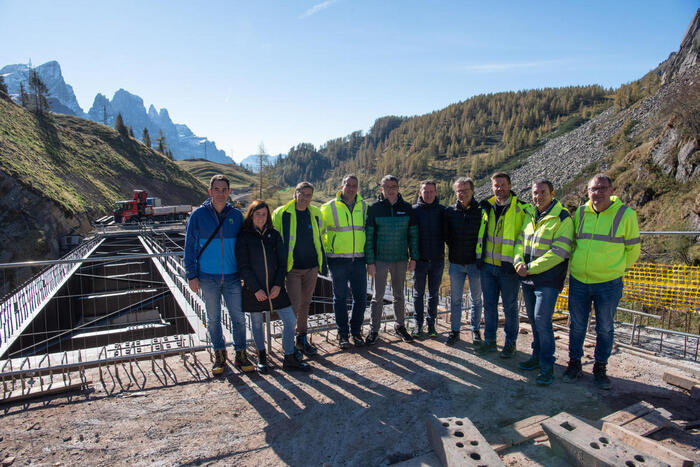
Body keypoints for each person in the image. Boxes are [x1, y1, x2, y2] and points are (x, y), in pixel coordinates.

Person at [563, 174, 640, 389]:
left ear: (611, 190)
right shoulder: (580, 213)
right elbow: (574, 244)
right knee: (577, 325)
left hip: (608, 283)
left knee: (604, 327)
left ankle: (600, 368)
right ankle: (575, 363)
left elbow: (633, 249)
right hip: (579, 280)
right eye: (593, 189)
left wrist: (615, 269)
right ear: (587, 192)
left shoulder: (626, 215)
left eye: (602, 188)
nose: (597, 193)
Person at [184, 174, 250, 375]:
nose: (220, 193)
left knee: (238, 318)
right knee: (213, 319)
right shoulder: (197, 216)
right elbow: (189, 247)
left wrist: (246, 273)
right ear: (210, 191)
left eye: (224, 190)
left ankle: (241, 353)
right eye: (217, 189)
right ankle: (219, 354)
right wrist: (191, 275)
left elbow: (244, 247)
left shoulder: (237, 216)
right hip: (207, 277)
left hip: (232, 277)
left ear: (229, 192)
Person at [236, 200, 311, 373]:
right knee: (256, 324)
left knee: (290, 320)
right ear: (251, 215)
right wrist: (256, 289)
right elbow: (243, 266)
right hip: (254, 290)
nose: (261, 217)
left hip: (275, 288)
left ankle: (290, 356)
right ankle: (262, 357)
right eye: (257, 214)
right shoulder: (244, 236)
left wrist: (278, 285)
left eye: (264, 214)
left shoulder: (274, 235)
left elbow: (282, 262)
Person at [514, 180, 573, 386]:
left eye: (542, 192)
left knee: (542, 320)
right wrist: (518, 261)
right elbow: (520, 242)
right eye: (535, 193)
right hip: (528, 278)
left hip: (548, 279)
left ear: (552, 193)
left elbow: (559, 252)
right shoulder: (531, 215)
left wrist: (529, 268)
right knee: (533, 319)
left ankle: (547, 365)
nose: (538, 196)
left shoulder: (562, 217)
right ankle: (536, 356)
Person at [476, 172, 529, 358]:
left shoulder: (522, 209)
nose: (499, 188)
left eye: (502, 185)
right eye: (496, 185)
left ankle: (510, 343)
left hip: (509, 268)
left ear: (510, 185)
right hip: (488, 267)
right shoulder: (485, 207)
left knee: (510, 307)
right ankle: (490, 341)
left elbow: (525, 238)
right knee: (489, 305)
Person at [272, 181, 326, 357]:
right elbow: (275, 240)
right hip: (292, 268)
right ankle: (288, 344)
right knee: (294, 306)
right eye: (301, 193)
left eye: (308, 195)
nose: (304, 198)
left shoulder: (316, 213)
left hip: (311, 267)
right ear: (295, 193)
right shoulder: (281, 213)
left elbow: (320, 237)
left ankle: (301, 338)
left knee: (305, 304)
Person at [365, 175, 419, 344]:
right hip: (380, 259)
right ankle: (374, 330)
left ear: (398, 188)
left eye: (393, 186)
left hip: (400, 259)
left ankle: (400, 326)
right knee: (377, 296)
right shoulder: (374, 208)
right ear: (381, 189)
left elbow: (413, 235)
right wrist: (370, 262)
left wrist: (414, 258)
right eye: (387, 187)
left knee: (399, 295)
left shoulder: (407, 208)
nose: (390, 189)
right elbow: (369, 238)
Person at [321, 175, 368, 349]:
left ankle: (356, 332)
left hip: (358, 260)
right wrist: (324, 255)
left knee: (361, 298)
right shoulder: (328, 207)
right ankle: (342, 334)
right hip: (337, 260)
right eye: (348, 185)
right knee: (340, 298)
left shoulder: (364, 206)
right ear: (341, 186)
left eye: (354, 185)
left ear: (357, 187)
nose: (351, 188)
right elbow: (319, 233)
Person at [443, 177, 486, 345]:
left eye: (465, 190)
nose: (462, 194)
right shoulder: (450, 212)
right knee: (455, 300)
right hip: (456, 263)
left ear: (472, 191)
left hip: (476, 263)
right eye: (459, 191)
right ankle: (455, 331)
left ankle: (475, 330)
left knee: (476, 299)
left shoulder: (481, 211)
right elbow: (446, 235)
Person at [411, 180, 445, 338]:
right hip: (419, 261)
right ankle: (418, 324)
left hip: (437, 261)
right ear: (420, 193)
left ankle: (431, 324)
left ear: (436, 193)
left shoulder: (443, 211)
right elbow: (409, 237)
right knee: (418, 294)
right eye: (426, 191)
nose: (429, 194)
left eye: (432, 191)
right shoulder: (414, 211)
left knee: (433, 294)